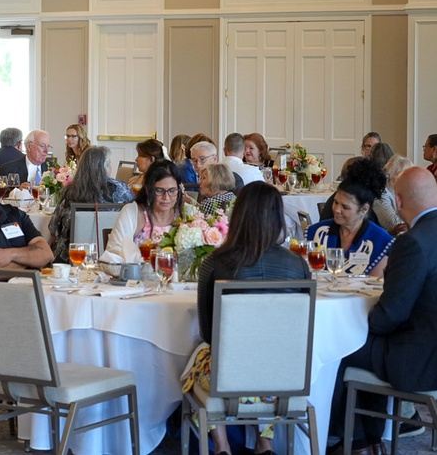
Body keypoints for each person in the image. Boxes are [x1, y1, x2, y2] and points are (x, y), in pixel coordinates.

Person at [187, 181, 311, 455]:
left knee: (197, 355)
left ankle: (221, 446)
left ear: (238, 215)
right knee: (269, 357)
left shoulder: (216, 262)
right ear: (278, 217)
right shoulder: (298, 265)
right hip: (284, 380)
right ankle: (264, 442)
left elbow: (209, 334)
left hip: (228, 379)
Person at [326, 167, 437, 455]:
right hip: (429, 346)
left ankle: (357, 440)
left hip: (420, 361)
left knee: (341, 346)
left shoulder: (413, 242)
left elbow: (391, 315)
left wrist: (359, 327)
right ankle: (367, 439)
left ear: (397, 202)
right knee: (366, 344)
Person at [307, 158, 393, 277]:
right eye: (335, 202)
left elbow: (376, 285)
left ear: (364, 209)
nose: (337, 210)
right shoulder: (317, 232)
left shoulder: (380, 241)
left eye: (345, 207)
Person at [48, 146, 133, 263]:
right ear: (104, 167)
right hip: (113, 256)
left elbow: (53, 229)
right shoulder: (121, 189)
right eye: (109, 164)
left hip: (72, 257)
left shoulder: (71, 191)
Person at [107, 160, 187, 262]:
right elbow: (113, 251)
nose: (166, 197)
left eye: (172, 190)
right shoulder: (133, 212)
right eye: (159, 190)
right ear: (148, 190)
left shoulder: (185, 214)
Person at [375, 156, 413, 235]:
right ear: (393, 176)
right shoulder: (381, 194)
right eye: (407, 175)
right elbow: (392, 223)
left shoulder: (404, 192)